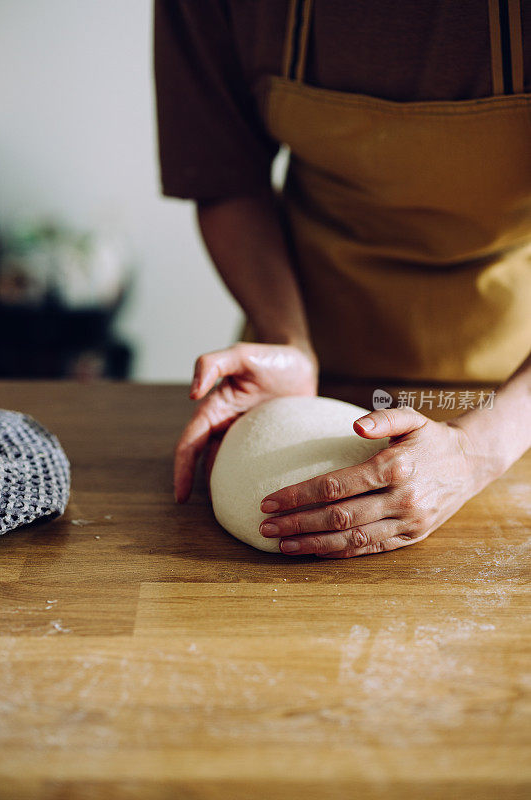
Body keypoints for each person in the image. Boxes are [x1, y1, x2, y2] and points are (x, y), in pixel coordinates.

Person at [154, 0, 531, 558]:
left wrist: (485, 446)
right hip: (310, 333)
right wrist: (287, 339)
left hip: (512, 379)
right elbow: (226, 177)